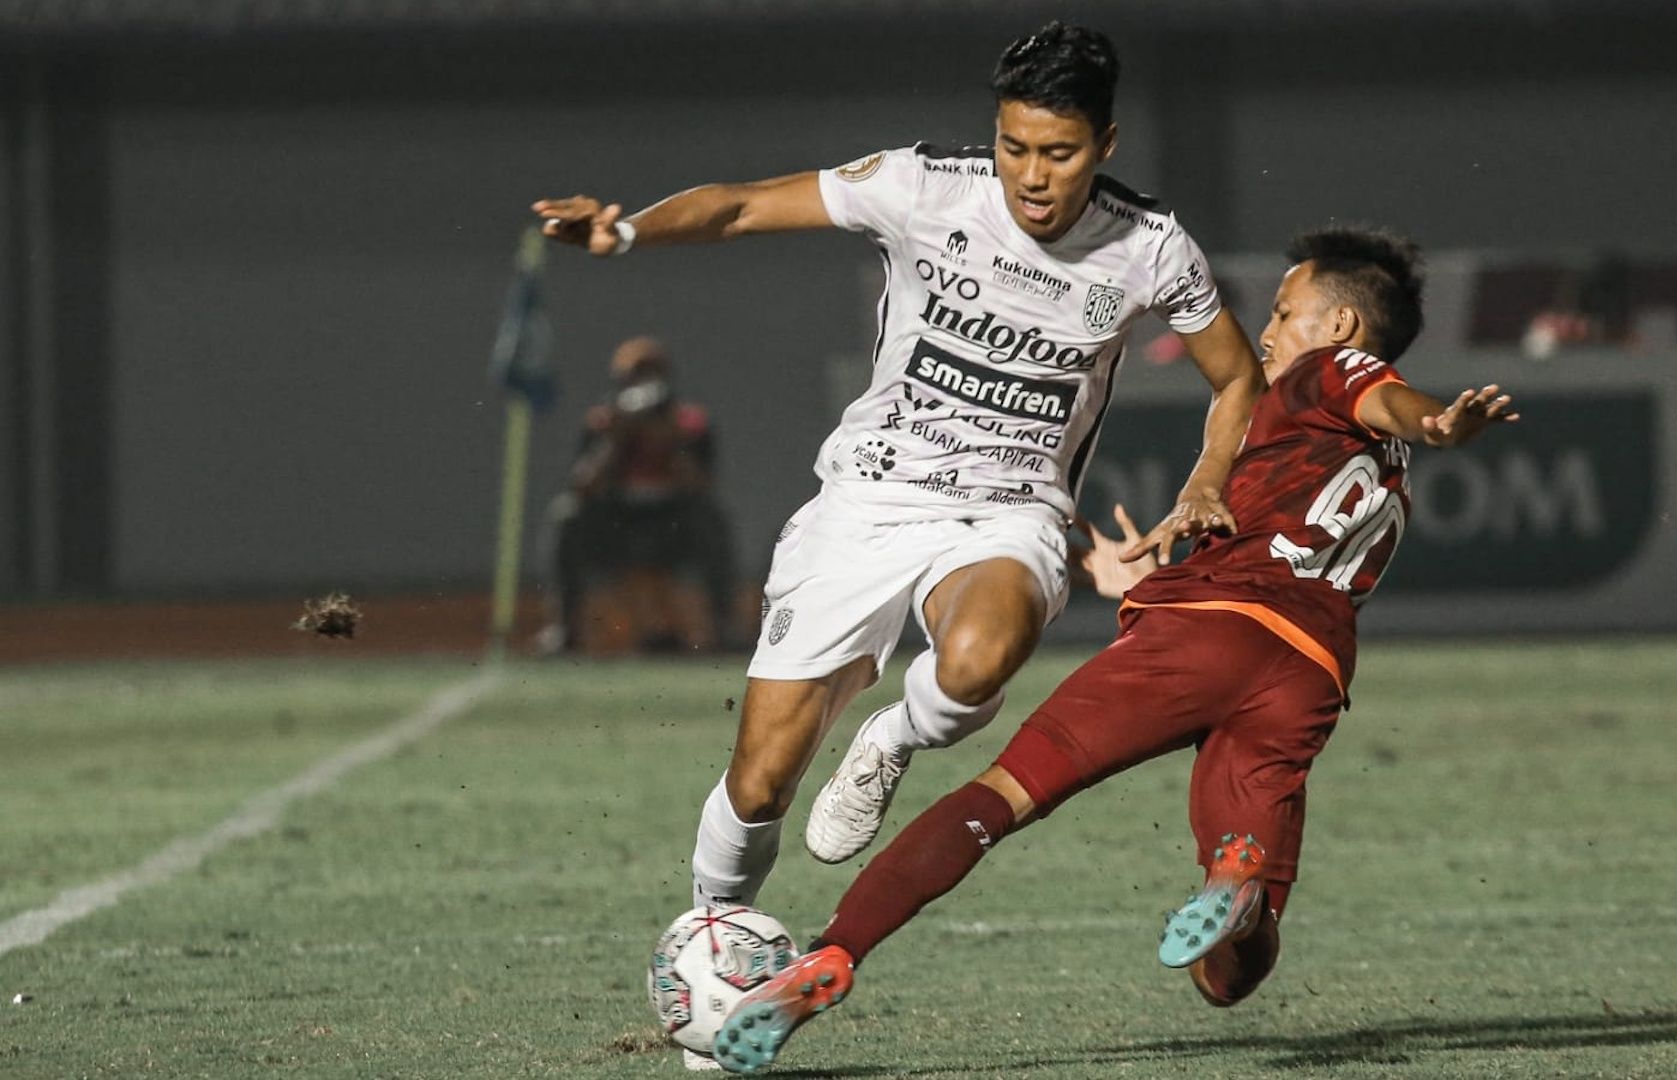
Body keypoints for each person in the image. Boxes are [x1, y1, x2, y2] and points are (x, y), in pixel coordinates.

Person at [704, 226, 1521, 1075]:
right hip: (1304, 680)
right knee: (1225, 977)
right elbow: (1302, 523)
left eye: (1285, 310)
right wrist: (1142, 570)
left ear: (1343, 327)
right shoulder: (1369, 461)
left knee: (1000, 800)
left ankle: (830, 956)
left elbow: (1395, 401)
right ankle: (1236, 885)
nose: (1268, 331)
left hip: (1206, 638)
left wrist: (1442, 423)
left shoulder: (1330, 375)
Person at [534, 20, 1262, 930]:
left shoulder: (1151, 247)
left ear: (1104, 145)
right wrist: (628, 232)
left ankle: (893, 735)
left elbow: (1237, 376)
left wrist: (1207, 478)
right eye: (1015, 147)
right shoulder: (923, 185)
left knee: (975, 661)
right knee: (760, 781)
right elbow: (746, 206)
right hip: (867, 504)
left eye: (1060, 154)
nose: (1032, 175)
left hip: (1010, 514)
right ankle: (711, 942)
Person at [536, 336, 742, 654]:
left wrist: (671, 443)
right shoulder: (603, 421)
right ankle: (564, 628)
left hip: (673, 522)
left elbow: (702, 485)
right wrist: (616, 441)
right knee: (567, 516)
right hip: (617, 522)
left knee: (712, 520)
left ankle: (724, 626)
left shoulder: (690, 422)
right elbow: (582, 486)